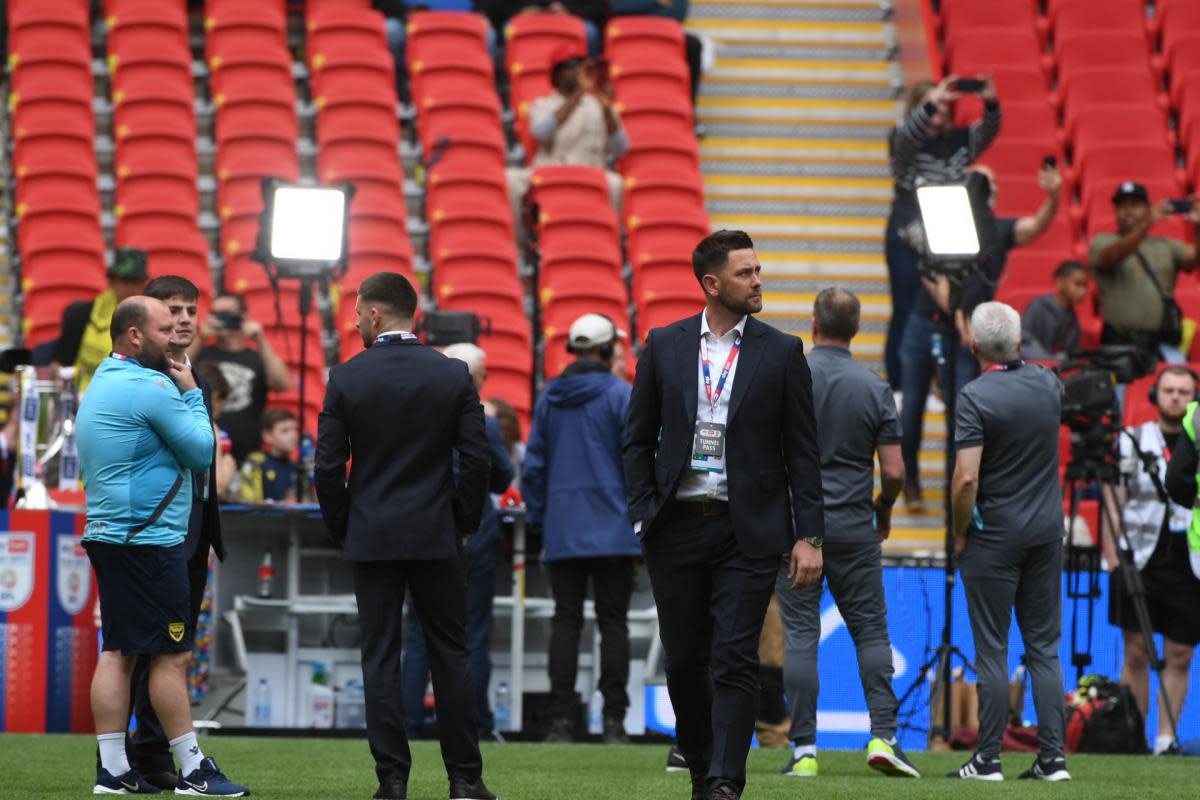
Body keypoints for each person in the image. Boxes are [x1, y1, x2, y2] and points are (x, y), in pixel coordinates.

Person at [623, 230, 824, 800]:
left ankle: (724, 785)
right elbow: (636, 440)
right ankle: (700, 771)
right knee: (685, 660)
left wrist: (809, 534)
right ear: (712, 284)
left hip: (749, 529)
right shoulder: (664, 344)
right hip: (676, 527)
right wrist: (643, 512)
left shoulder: (783, 351)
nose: (758, 281)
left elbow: (802, 453)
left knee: (736, 656)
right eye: (746, 273)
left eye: (758, 270)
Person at [314, 272, 495, 800]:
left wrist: (345, 525)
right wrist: (461, 522)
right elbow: (477, 461)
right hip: (437, 534)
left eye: (356, 313)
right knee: (451, 653)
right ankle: (465, 780)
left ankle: (392, 779)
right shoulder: (453, 374)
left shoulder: (346, 377)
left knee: (380, 656)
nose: (353, 321)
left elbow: (328, 468)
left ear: (374, 315)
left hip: (372, 535)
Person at [77, 296, 247, 797]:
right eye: (163, 328)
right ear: (134, 335)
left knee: (119, 651)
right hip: (148, 540)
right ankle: (193, 771)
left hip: (115, 534)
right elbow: (200, 450)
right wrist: (193, 391)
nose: (175, 335)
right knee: (170, 656)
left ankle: (113, 769)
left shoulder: (105, 379)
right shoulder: (151, 386)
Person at [776, 288, 918, 780]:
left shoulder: (788, 377)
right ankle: (882, 735)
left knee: (799, 637)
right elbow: (896, 470)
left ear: (814, 323)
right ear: (856, 329)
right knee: (871, 632)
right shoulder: (873, 387)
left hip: (796, 529)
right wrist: (883, 506)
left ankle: (804, 751)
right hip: (855, 528)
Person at [949, 301, 1069, 782]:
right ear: (1020, 343)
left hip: (993, 536)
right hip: (1045, 532)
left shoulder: (974, 396)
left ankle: (989, 760)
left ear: (971, 345)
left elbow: (964, 479)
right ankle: (1053, 759)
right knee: (1044, 648)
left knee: (992, 650)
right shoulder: (1048, 383)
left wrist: (961, 531)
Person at [899, 160, 1060, 511]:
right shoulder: (944, 225)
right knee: (911, 407)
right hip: (928, 323)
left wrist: (1055, 196)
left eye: (994, 184)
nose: (991, 190)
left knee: (962, 407)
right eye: (983, 183)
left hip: (969, 333)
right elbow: (932, 276)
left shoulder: (997, 230)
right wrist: (958, 313)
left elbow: (1035, 227)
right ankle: (910, 479)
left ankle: (958, 485)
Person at [523, 312, 639, 744]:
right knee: (615, 625)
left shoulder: (549, 398)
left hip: (564, 530)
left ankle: (560, 722)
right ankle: (613, 722)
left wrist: (542, 516)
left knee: (565, 622)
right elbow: (637, 465)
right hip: (615, 531)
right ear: (609, 350)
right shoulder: (622, 396)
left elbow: (533, 469)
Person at [403, 342, 515, 743]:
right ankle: (474, 725)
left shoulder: (415, 417)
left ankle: (410, 724)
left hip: (423, 527)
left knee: (418, 633)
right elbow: (501, 476)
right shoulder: (483, 420)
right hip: (475, 533)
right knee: (472, 634)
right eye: (481, 376)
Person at [886, 75, 1000, 397]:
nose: (938, 112)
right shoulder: (902, 140)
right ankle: (898, 385)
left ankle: (937, 381)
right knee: (907, 308)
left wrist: (990, 103)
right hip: (910, 234)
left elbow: (989, 131)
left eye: (942, 107)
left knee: (950, 308)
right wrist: (929, 105)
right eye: (930, 107)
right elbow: (905, 140)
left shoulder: (959, 142)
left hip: (950, 233)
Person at [1114, 366, 1200, 755]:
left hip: (1189, 557)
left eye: (1184, 391)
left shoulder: (1196, 433)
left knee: (1180, 652)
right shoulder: (1132, 439)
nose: (1176, 397)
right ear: (1155, 394)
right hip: (1140, 553)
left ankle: (1165, 740)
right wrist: (1112, 548)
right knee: (1135, 649)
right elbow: (1114, 492)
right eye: (1169, 390)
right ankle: (1132, 735)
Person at [506, 45, 628, 241]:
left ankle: (611, 245)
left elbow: (620, 148)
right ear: (556, 74)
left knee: (617, 183)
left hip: (589, 174)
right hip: (551, 173)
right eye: (570, 66)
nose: (577, 72)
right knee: (510, 178)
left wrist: (607, 111)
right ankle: (519, 248)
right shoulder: (543, 104)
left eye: (580, 66)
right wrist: (578, 94)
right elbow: (541, 133)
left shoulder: (599, 104)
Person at [1089, 181, 1200, 370]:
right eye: (1122, 206)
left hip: (1160, 342)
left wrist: (1198, 227)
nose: (1128, 211)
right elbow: (1111, 257)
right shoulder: (1103, 241)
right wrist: (1147, 223)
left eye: (1135, 205)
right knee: (1118, 396)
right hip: (1119, 341)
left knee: (1172, 392)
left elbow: (1193, 259)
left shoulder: (1164, 245)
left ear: (1148, 208)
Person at [190, 293, 292, 464]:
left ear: (243, 316)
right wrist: (201, 337)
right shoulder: (201, 352)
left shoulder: (257, 357)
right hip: (205, 447)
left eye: (227, 313)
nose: (221, 319)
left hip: (249, 452)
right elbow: (174, 372)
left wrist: (260, 340)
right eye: (216, 314)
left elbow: (283, 384)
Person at [52, 247, 149, 392]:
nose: (129, 287)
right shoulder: (82, 314)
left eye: (135, 281)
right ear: (112, 280)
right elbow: (58, 364)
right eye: (124, 280)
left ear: (143, 284)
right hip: (78, 397)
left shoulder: (151, 320)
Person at [609, 0, 705, 109]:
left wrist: (637, 11)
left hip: (663, 34)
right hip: (624, 35)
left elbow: (678, 13)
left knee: (693, 45)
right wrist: (656, 2)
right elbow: (615, 7)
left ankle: (688, 110)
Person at [1021, 261, 1089, 359]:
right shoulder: (1037, 305)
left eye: (1085, 286)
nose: (1083, 291)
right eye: (1078, 284)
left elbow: (1070, 351)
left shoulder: (1073, 320)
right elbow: (1024, 336)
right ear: (1060, 282)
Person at [236, 408, 303, 504]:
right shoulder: (256, 462)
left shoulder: (297, 466)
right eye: (285, 431)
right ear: (267, 436)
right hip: (263, 518)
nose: (293, 436)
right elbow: (249, 501)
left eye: (295, 430)